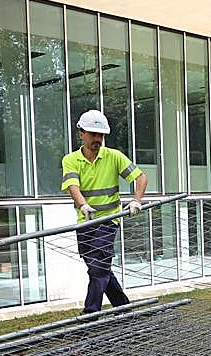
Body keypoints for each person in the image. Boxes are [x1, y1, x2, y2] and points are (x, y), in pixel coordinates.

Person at [61, 109, 148, 313]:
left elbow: (141, 177)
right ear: (81, 133)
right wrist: (83, 205)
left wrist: (136, 201)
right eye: (93, 134)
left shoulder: (114, 156)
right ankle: (124, 309)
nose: (97, 139)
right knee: (99, 268)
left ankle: (90, 314)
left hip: (109, 221)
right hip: (85, 221)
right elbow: (72, 185)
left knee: (98, 268)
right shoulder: (70, 160)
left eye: (100, 135)